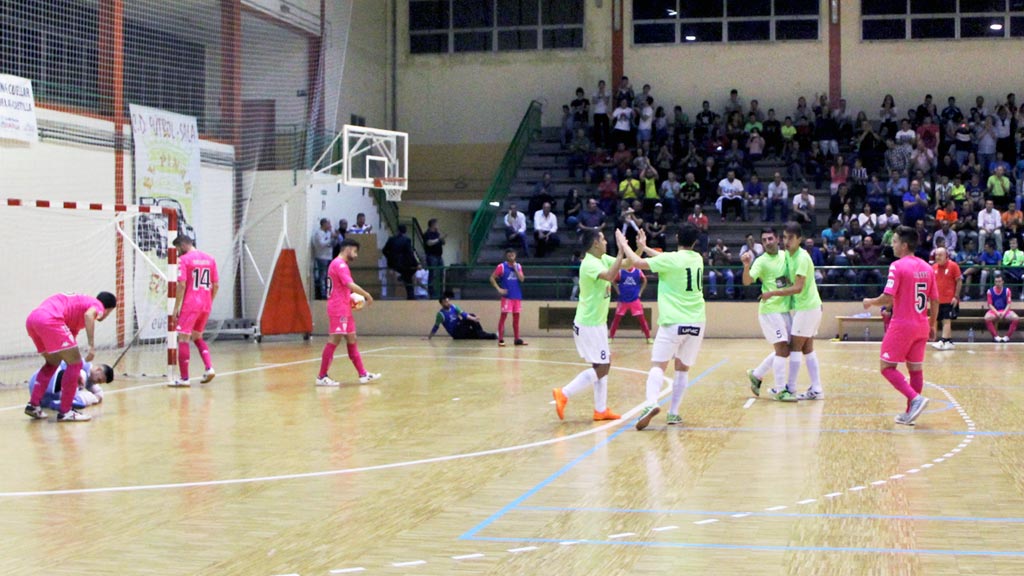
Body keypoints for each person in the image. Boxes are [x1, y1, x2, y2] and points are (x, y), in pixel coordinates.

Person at [616, 225, 706, 430]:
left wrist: (624, 245)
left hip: (674, 320)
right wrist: (645, 247)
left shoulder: (671, 260)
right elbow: (664, 258)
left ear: (677, 237)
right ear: (694, 242)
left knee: (658, 365)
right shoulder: (697, 258)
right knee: (682, 369)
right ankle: (673, 413)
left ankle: (650, 404)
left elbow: (637, 263)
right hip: (697, 321)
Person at [862, 225, 937, 426]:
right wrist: (933, 323)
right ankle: (909, 413)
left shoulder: (897, 266)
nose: (892, 245)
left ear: (904, 245)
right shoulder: (928, 267)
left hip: (902, 324)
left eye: (894, 241)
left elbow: (887, 298)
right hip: (922, 324)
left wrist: (870, 301)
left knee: (886, 367)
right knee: (915, 369)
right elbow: (935, 299)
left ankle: (915, 399)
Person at [552, 230, 625, 422]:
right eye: (602, 239)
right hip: (589, 324)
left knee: (601, 364)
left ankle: (600, 410)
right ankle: (564, 393)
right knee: (603, 367)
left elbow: (626, 264)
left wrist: (638, 248)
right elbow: (610, 275)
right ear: (595, 243)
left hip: (596, 323)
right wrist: (620, 252)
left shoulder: (601, 258)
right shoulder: (590, 263)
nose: (606, 242)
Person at [24, 291, 117, 422]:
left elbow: (68, 348)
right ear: (108, 309)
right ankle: (66, 411)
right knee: (76, 364)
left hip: (33, 320)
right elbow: (89, 315)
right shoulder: (97, 306)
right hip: (50, 319)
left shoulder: (76, 312)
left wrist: (73, 374)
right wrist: (91, 346)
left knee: (52, 363)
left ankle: (33, 405)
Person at [758, 223, 824, 401]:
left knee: (795, 347)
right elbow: (786, 278)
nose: (787, 241)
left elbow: (798, 287)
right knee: (807, 348)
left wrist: (772, 293)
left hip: (807, 308)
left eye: (791, 238)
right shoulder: (788, 255)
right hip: (807, 308)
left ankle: (791, 388)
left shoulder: (802, 257)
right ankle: (816, 388)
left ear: (799, 239)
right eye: (785, 237)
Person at [316, 238, 380, 386]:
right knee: (334, 340)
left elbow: (343, 287)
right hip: (338, 309)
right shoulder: (339, 264)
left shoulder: (338, 264)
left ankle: (363, 374)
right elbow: (349, 284)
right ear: (348, 249)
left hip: (344, 308)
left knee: (352, 339)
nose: (356, 255)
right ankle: (321, 376)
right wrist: (366, 294)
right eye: (355, 251)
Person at [743, 228, 794, 401]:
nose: (767, 242)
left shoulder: (785, 256)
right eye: (764, 240)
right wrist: (746, 266)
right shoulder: (761, 261)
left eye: (770, 239)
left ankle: (756, 375)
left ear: (777, 239)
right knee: (781, 349)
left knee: (786, 350)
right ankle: (780, 391)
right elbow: (747, 281)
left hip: (785, 309)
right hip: (770, 311)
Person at [170, 235, 219, 387]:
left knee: (183, 338)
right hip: (206, 303)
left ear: (183, 245)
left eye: (178, 249)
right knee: (197, 336)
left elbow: (182, 285)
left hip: (191, 304)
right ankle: (209, 367)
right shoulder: (210, 259)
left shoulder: (184, 260)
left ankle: (184, 379)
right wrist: (209, 301)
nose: (178, 252)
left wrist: (176, 307)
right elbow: (216, 285)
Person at [27, 360, 112, 411]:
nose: (96, 382)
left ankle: (62, 402)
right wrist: (94, 398)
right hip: (48, 382)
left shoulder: (90, 378)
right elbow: (64, 369)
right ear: (98, 370)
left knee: (83, 390)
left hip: (43, 397)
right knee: (78, 374)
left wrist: (97, 397)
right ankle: (68, 403)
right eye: (98, 380)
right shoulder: (81, 363)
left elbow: (98, 391)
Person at [490, 248, 526, 347]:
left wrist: (515, 269)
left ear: (515, 256)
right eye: (509, 255)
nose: (511, 257)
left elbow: (522, 279)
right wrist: (498, 289)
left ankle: (517, 339)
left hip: (517, 296)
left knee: (516, 318)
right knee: (503, 317)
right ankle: (501, 339)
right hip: (507, 297)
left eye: (513, 255)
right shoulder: (501, 266)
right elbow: (492, 278)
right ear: (506, 256)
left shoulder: (518, 266)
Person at [930, 247, 962, 351]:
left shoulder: (953, 266)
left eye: (940, 255)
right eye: (936, 255)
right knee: (942, 321)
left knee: (946, 320)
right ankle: (949, 341)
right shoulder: (933, 267)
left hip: (950, 299)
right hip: (938, 300)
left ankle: (943, 341)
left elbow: (959, 281)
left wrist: (956, 297)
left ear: (946, 256)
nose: (937, 257)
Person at [608, 264, 651, 342]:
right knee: (616, 319)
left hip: (634, 299)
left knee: (642, 319)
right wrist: (618, 291)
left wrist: (640, 292)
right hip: (622, 299)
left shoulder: (638, 271)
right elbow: (613, 281)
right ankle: (611, 337)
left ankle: (648, 337)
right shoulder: (620, 271)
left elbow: (644, 280)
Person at [428, 292, 496, 340]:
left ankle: (494, 336)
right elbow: (436, 326)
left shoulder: (453, 307)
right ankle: (483, 333)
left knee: (476, 334)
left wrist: (474, 319)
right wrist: (429, 337)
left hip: (461, 327)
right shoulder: (440, 314)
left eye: (448, 301)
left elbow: (464, 314)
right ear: (442, 303)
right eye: (446, 302)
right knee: (475, 329)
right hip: (456, 332)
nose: (448, 303)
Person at [383, 224, 419, 300]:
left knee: (407, 276)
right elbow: (410, 253)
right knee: (409, 278)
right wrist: (416, 263)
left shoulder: (391, 239)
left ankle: (403, 278)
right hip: (405, 263)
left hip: (393, 263)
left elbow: (384, 251)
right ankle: (411, 296)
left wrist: (390, 258)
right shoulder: (406, 240)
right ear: (405, 231)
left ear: (397, 231)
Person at [985, 273, 1018, 342]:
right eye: (996, 281)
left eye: (999, 281)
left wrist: (1004, 313)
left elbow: (1009, 304)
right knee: (986, 318)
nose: (997, 283)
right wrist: (996, 313)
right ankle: (996, 336)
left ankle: (1007, 336)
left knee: (1016, 318)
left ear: (1002, 282)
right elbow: (990, 305)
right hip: (994, 311)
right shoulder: (990, 291)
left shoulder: (1007, 291)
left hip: (1005, 310)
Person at [312, 218, 335, 300]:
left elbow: (332, 243)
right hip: (321, 257)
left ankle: (329, 292)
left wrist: (333, 237)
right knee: (322, 276)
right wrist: (330, 239)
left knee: (329, 276)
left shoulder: (329, 233)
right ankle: (323, 295)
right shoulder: (318, 233)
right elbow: (321, 244)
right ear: (324, 224)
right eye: (328, 224)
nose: (330, 226)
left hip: (329, 256)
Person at [423, 218, 445, 298]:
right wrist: (438, 239)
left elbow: (442, 242)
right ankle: (432, 293)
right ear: (433, 225)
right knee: (433, 274)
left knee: (441, 273)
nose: (438, 226)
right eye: (436, 224)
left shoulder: (437, 233)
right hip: (431, 256)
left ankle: (441, 292)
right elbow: (429, 243)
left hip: (439, 256)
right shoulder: (427, 234)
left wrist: (441, 237)